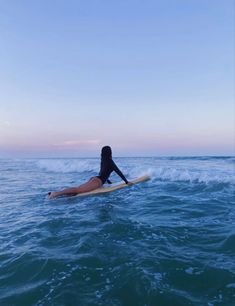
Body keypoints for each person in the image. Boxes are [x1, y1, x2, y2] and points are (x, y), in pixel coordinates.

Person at [48, 146, 131, 199]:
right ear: (110, 152)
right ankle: (55, 193)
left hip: (95, 178)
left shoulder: (103, 160)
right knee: (78, 190)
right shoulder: (110, 161)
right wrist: (127, 182)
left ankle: (58, 194)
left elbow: (103, 172)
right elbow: (119, 172)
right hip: (97, 182)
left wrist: (108, 181)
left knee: (77, 190)